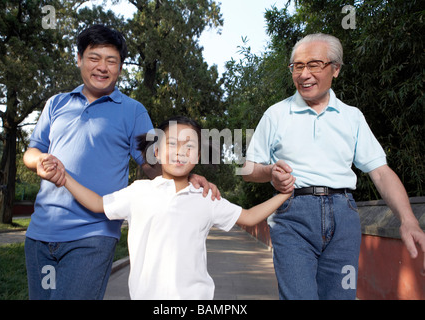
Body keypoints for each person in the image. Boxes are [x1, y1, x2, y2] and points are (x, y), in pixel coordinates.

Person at [22, 25, 218, 300]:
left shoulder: (133, 111)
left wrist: (184, 180)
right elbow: (31, 152)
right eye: (94, 58)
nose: (102, 67)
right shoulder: (56, 104)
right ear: (79, 59)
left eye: (111, 60)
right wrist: (40, 160)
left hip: (93, 234)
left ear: (120, 67)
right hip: (41, 233)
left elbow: (153, 163)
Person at [242, 33, 425, 300]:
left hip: (344, 218)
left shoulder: (352, 117)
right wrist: (270, 172)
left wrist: (408, 220)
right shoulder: (276, 114)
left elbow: (380, 172)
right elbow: (248, 169)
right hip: (292, 215)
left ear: (335, 69)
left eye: (314, 64)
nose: (304, 74)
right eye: (298, 66)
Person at [41, 116, 291, 300]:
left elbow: (248, 217)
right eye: (172, 144)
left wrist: (284, 194)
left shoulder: (205, 197)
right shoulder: (139, 191)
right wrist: (65, 177)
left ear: (198, 156)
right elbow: (97, 203)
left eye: (189, 146)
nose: (180, 152)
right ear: (157, 152)